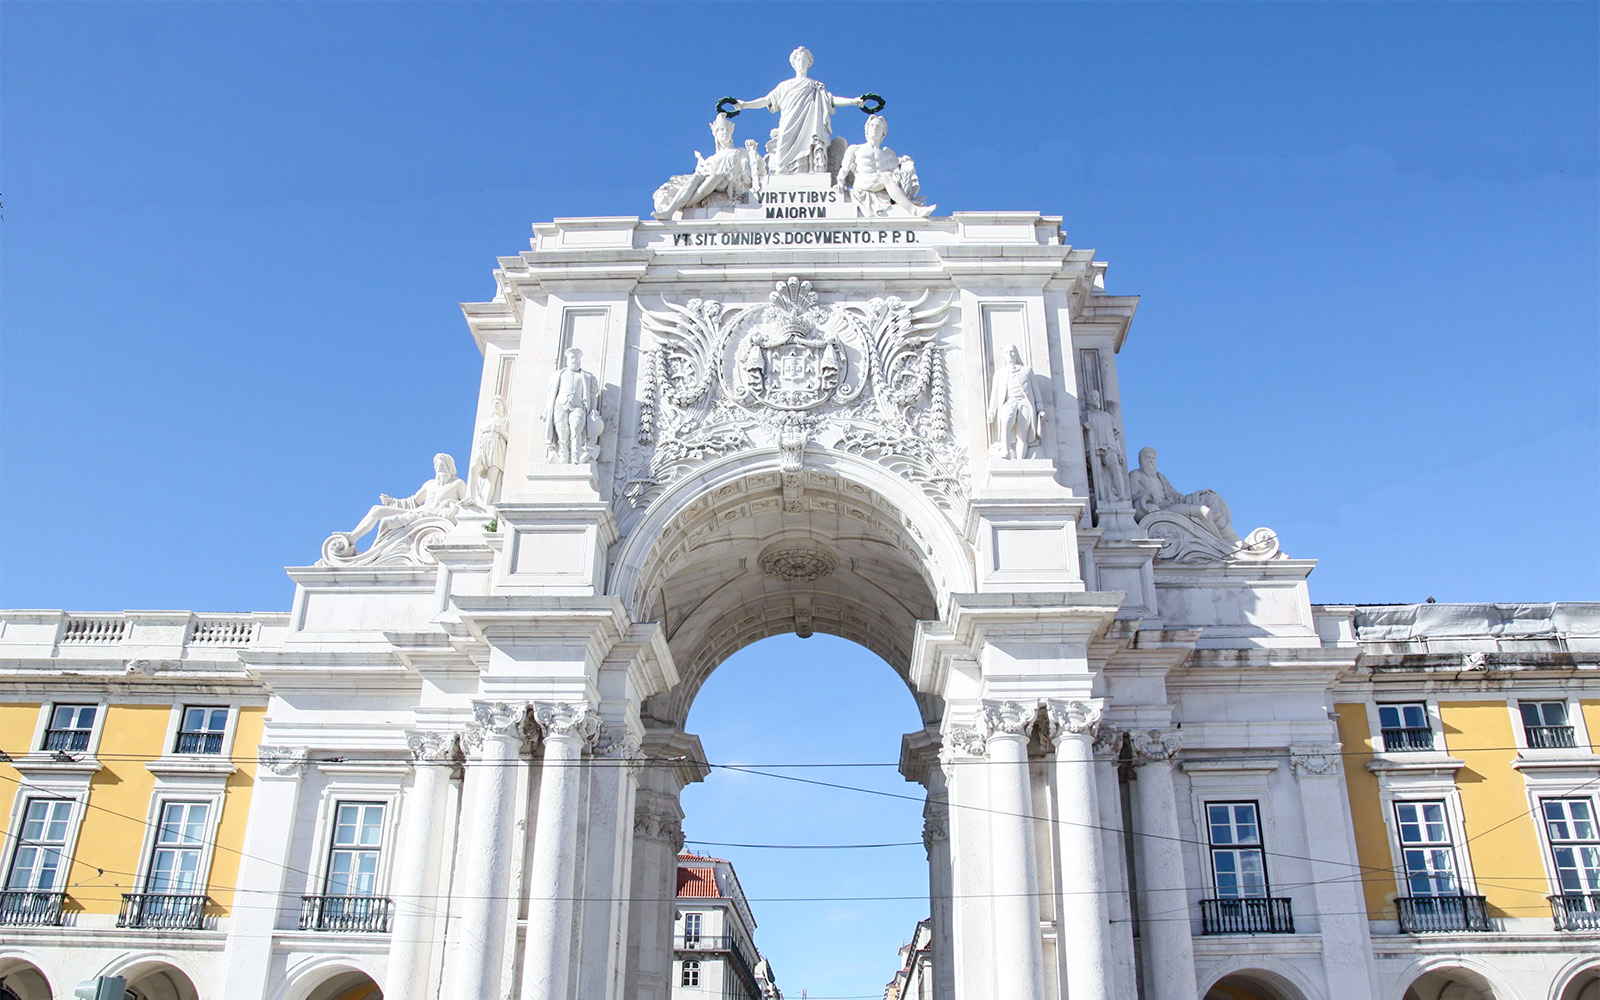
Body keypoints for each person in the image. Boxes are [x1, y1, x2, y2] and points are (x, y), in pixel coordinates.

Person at [732, 46, 866, 174]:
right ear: (793, 63)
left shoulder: (815, 86)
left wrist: (854, 101)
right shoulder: (784, 86)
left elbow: (832, 100)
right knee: (782, 157)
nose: (801, 62)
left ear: (809, 63)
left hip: (810, 125)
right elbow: (766, 100)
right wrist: (745, 104)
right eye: (799, 60)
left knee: (809, 151)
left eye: (804, 60)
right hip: (789, 123)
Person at [651, 114, 760, 219]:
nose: (724, 132)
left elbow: (747, 178)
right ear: (716, 134)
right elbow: (702, 173)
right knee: (696, 178)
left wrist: (751, 154)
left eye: (727, 130)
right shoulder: (711, 159)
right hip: (712, 180)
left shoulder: (740, 151)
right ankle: (670, 211)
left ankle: (681, 206)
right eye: (721, 130)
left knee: (718, 175)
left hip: (729, 183)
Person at [346, 453, 467, 547]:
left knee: (385, 523)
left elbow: (467, 505)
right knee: (376, 509)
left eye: (443, 468)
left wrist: (453, 503)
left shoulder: (457, 484)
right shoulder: (429, 484)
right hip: (418, 512)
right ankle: (353, 537)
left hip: (430, 516)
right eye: (437, 468)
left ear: (450, 468)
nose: (439, 471)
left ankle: (376, 552)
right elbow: (413, 502)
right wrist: (392, 502)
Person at [1128, 447, 1239, 543]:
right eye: (1148, 458)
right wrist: (1146, 493)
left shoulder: (1160, 477)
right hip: (1163, 509)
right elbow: (1129, 497)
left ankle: (1233, 541)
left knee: (1214, 514)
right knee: (1203, 512)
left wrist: (1198, 493)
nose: (1151, 461)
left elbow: (1177, 496)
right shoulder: (1136, 475)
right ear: (1141, 460)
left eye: (1153, 458)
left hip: (1172, 505)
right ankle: (1220, 544)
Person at [837, 115, 933, 217]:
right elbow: (844, 168)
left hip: (880, 182)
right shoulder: (856, 148)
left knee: (887, 176)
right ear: (867, 129)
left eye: (878, 126)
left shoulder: (886, 154)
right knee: (886, 176)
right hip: (862, 181)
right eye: (872, 126)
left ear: (883, 132)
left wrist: (904, 161)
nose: (874, 129)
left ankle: (906, 205)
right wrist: (840, 182)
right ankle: (913, 210)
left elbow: (895, 167)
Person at [546, 347, 603, 464]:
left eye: (577, 358)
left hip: (578, 407)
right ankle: (563, 458)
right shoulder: (558, 375)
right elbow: (551, 394)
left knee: (576, 430)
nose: (575, 360)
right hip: (560, 406)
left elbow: (592, 395)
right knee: (562, 433)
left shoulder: (587, 376)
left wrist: (592, 409)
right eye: (572, 358)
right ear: (567, 359)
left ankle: (575, 457)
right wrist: (547, 410)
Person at [989, 346, 1042, 459]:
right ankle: (1005, 451)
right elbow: (995, 394)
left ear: (1016, 354)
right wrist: (991, 411)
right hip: (1009, 403)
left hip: (1024, 403)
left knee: (1022, 434)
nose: (1010, 354)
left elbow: (1035, 390)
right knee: (1005, 426)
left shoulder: (1026, 370)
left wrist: (1040, 408)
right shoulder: (1000, 373)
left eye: (1012, 352)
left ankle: (1021, 459)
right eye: (1007, 352)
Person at [1081, 389, 1128, 500]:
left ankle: (1121, 494)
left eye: (1097, 397)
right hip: (1093, 447)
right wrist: (1085, 425)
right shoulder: (1086, 415)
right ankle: (1102, 497)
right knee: (1097, 473)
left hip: (1109, 446)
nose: (1096, 399)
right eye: (1093, 397)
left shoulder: (1107, 416)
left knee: (1116, 468)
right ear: (1088, 400)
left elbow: (1115, 436)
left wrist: (1119, 453)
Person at [468, 395, 510, 505]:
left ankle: (487, 504)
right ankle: (471, 497)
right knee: (473, 467)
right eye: (493, 404)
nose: (495, 406)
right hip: (483, 447)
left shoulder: (505, 421)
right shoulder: (484, 423)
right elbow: (478, 439)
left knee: (492, 478)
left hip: (497, 447)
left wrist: (500, 431)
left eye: (498, 404)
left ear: (503, 408)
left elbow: (510, 439)